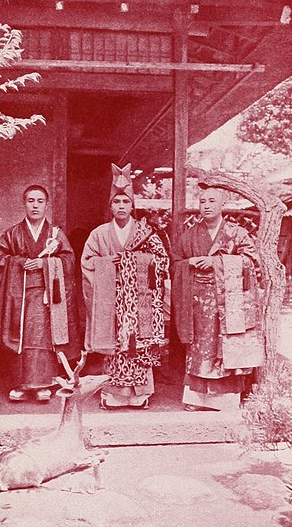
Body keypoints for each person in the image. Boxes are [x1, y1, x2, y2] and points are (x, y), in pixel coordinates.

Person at [81, 164, 169, 409]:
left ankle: (140, 394)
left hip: (139, 301)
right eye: (116, 202)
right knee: (115, 347)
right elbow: (86, 262)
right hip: (111, 300)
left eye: (125, 202)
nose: (121, 206)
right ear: (110, 206)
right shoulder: (99, 234)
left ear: (133, 206)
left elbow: (162, 260)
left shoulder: (145, 232)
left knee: (138, 347)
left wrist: (135, 262)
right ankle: (113, 394)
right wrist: (108, 263)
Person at [172, 185, 264, 411]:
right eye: (202, 201)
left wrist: (218, 262)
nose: (206, 206)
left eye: (212, 201)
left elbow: (252, 263)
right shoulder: (190, 235)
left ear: (222, 204)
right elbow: (174, 263)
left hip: (230, 301)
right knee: (199, 348)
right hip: (199, 302)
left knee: (228, 346)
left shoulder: (236, 232)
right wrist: (189, 263)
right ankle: (197, 398)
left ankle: (227, 398)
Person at [0, 185, 80, 402]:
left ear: (46, 204)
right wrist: (20, 263)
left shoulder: (55, 234)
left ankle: (43, 384)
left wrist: (44, 263)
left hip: (47, 295)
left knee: (43, 337)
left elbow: (69, 260)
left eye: (40, 201)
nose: (35, 205)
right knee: (20, 335)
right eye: (31, 200)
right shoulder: (12, 233)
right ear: (24, 203)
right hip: (19, 295)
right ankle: (21, 385)